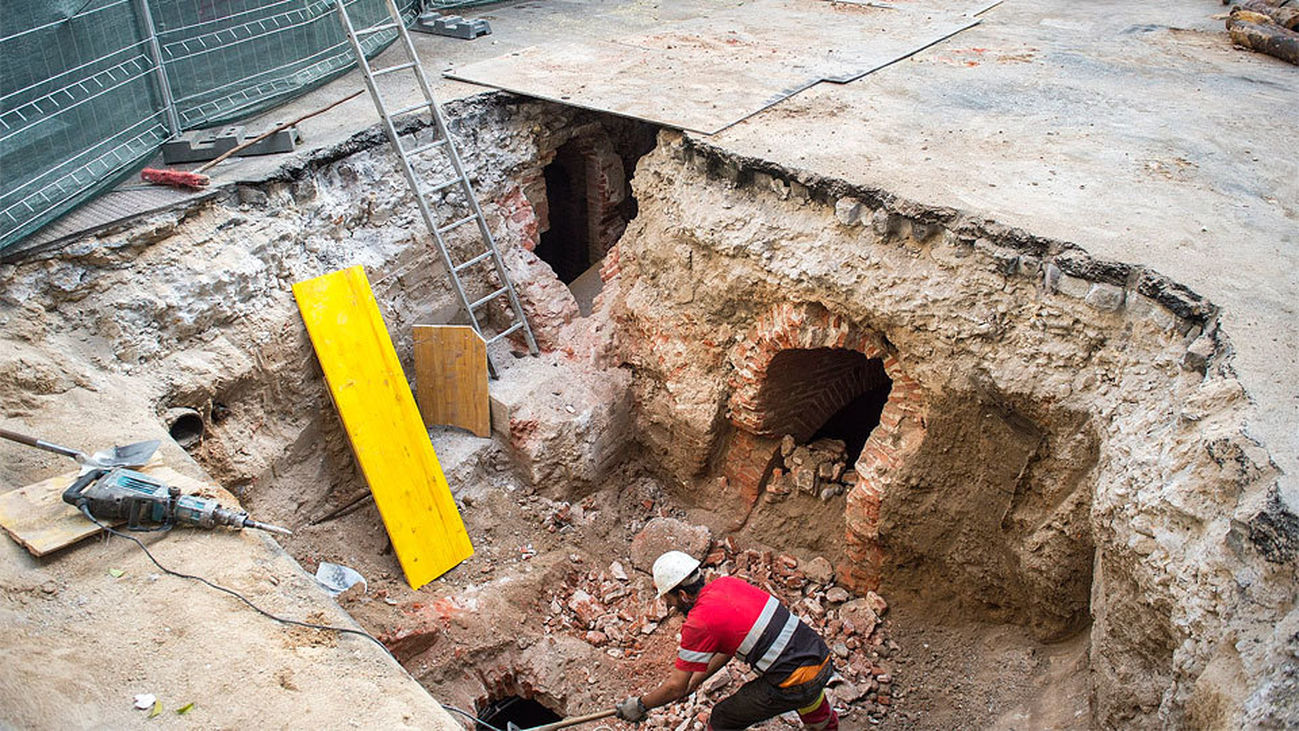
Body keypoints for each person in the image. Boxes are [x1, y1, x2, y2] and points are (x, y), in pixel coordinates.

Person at [614, 550, 839, 730]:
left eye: (668, 598)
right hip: (819, 657)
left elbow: (675, 687)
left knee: (723, 719)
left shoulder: (698, 622)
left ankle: (812, 705)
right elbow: (728, 649)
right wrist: (693, 683)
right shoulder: (728, 585)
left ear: (682, 595)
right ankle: (825, 724)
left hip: (796, 682)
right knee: (804, 686)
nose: (669, 605)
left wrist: (640, 705)